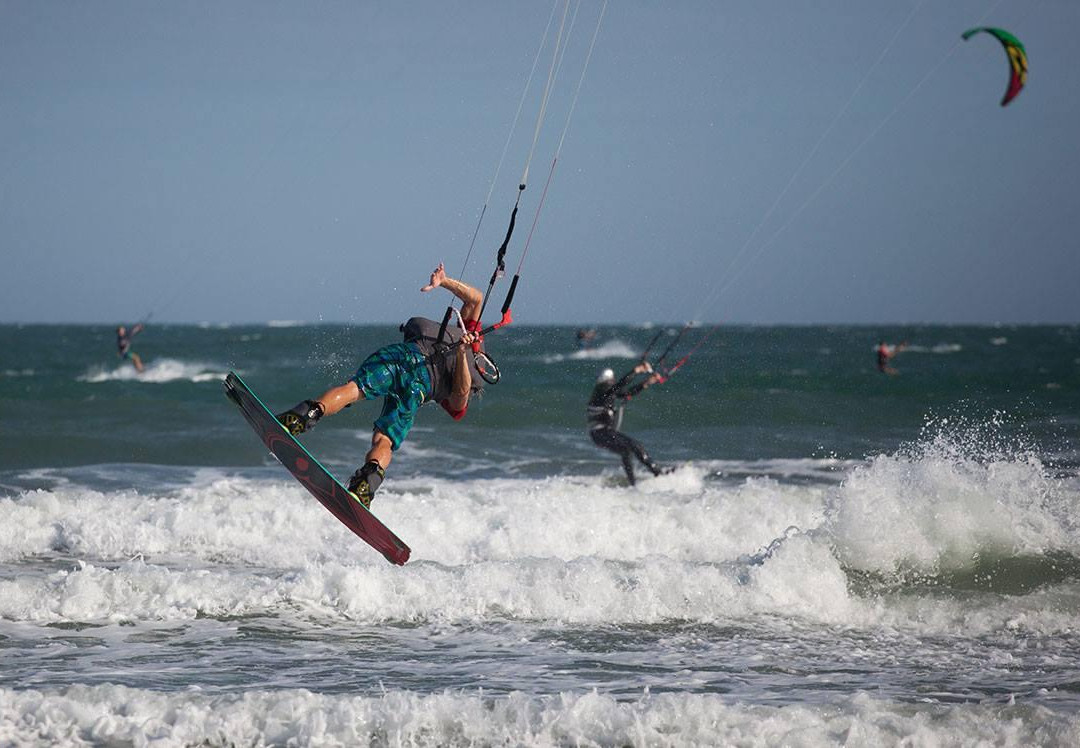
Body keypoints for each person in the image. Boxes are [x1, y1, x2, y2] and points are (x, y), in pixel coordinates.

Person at [276, 263, 487, 508]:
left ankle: (299, 418)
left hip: (399, 356)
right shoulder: (469, 346)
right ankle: (365, 485)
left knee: (354, 389)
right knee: (384, 439)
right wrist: (444, 281)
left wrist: (461, 350)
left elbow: (474, 300)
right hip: (417, 387)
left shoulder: (468, 341)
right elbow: (476, 299)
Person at [586, 362, 666, 486]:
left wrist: (647, 383)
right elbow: (619, 386)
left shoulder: (606, 393)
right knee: (635, 445)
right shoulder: (602, 392)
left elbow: (627, 393)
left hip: (601, 434)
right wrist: (636, 370)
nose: (612, 383)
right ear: (605, 382)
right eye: (611, 381)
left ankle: (632, 483)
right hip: (600, 433)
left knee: (626, 450)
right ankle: (658, 473)